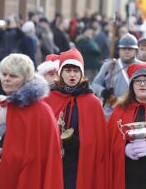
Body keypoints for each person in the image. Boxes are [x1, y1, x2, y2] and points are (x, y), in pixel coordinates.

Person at [44, 48, 108, 188]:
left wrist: (79, 141)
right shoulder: (49, 98)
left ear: (81, 73)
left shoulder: (92, 102)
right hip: (53, 161)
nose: (72, 75)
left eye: (76, 70)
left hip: (80, 163)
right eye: (68, 70)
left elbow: (100, 142)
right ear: (61, 73)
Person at [0, 53, 63, 188]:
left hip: (26, 179)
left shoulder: (41, 111)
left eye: (13, 76)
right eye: (4, 74)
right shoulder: (2, 103)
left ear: (25, 79)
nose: (6, 79)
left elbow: (41, 156)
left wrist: (8, 154)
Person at [92, 33, 141, 118]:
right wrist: (103, 92)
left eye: (130, 49)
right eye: (124, 48)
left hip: (134, 110)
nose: (126, 51)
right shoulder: (109, 65)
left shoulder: (142, 67)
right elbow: (95, 84)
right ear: (119, 50)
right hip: (112, 110)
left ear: (136, 51)